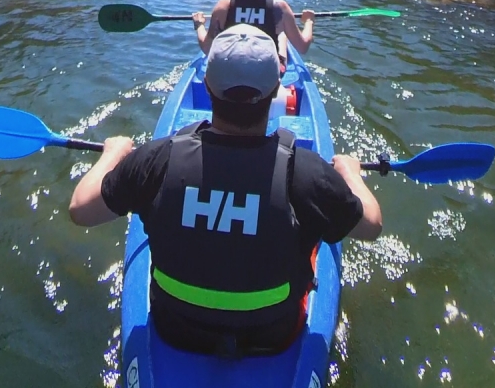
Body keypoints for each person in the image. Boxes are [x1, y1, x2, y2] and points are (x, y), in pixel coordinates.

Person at [69, 25, 382, 356]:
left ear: (207, 86)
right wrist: (352, 173)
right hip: (273, 336)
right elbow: (371, 226)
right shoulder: (306, 172)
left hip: (177, 330)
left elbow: (80, 209)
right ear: (277, 89)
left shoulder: (156, 160)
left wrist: (111, 155)